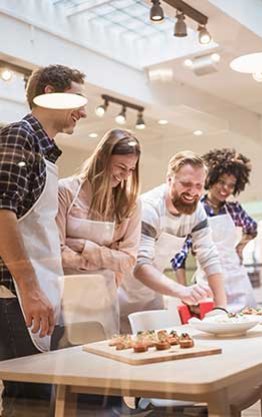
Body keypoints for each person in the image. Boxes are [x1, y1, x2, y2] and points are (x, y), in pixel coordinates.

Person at [0, 65, 86, 413]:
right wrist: (31, 288)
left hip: (36, 294)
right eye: (78, 100)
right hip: (14, 296)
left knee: (45, 399)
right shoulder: (19, 137)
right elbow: (1, 213)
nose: (83, 111)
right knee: (28, 403)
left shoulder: (44, 150)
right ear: (49, 92)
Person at [118, 151, 227, 332]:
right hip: (121, 295)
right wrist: (182, 291)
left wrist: (221, 306)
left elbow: (208, 255)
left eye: (199, 185)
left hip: (153, 295)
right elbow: (139, 265)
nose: (193, 192)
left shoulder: (197, 211)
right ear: (169, 180)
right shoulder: (148, 208)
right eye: (186, 184)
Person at [56, 128, 142, 338]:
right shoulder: (65, 191)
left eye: (131, 169)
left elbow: (129, 260)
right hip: (65, 295)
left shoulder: (131, 204)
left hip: (104, 296)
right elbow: (55, 252)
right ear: (102, 158)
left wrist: (85, 247)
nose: (125, 176)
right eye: (121, 167)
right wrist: (106, 258)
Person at [172, 148, 258, 312]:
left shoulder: (234, 210)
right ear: (211, 179)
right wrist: (184, 294)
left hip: (238, 280)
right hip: (209, 285)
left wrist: (240, 247)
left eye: (231, 185)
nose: (225, 189)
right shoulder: (193, 211)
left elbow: (252, 228)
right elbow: (179, 257)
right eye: (221, 182)